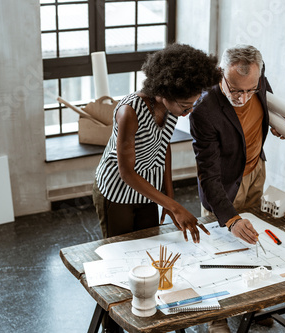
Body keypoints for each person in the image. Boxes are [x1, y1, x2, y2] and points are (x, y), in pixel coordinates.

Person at [92, 43, 221, 332]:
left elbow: (164, 150)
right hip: (117, 192)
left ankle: (146, 318)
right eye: (185, 106)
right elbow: (126, 172)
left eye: (193, 104)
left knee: (147, 256)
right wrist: (173, 205)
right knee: (120, 261)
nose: (188, 112)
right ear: (163, 92)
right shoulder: (129, 111)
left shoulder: (171, 108)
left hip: (148, 190)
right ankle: (113, 324)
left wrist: (168, 200)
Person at [190, 44, 283, 332]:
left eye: (250, 90)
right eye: (235, 90)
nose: (243, 98)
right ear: (222, 74)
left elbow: (265, 98)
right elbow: (208, 176)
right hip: (224, 183)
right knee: (217, 251)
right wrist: (230, 219)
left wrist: (275, 120)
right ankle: (216, 317)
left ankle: (254, 304)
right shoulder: (203, 111)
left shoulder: (259, 78)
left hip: (256, 170)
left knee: (253, 242)